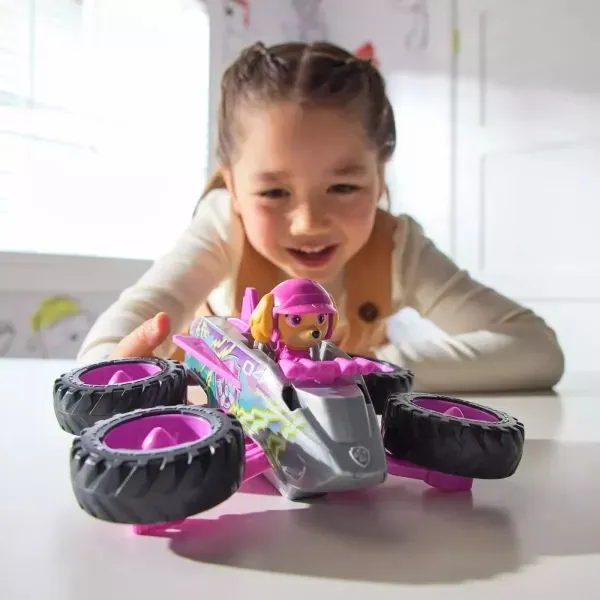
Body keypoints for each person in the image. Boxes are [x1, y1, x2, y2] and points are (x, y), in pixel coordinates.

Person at [77, 40, 565, 393]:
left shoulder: (397, 247)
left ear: (380, 177)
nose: (308, 223)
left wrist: (364, 365)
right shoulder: (222, 227)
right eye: (273, 192)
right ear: (233, 187)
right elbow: (100, 358)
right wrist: (144, 378)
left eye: (344, 187)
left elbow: (536, 350)